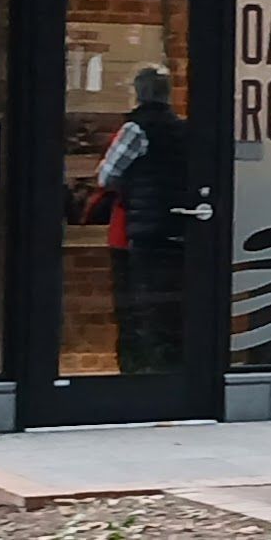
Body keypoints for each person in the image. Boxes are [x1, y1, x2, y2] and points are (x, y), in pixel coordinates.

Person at [97, 66, 188, 375]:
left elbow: (106, 175)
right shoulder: (184, 129)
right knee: (171, 305)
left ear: (138, 93)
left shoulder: (136, 129)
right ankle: (172, 367)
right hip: (179, 227)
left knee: (138, 303)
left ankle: (141, 370)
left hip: (142, 230)